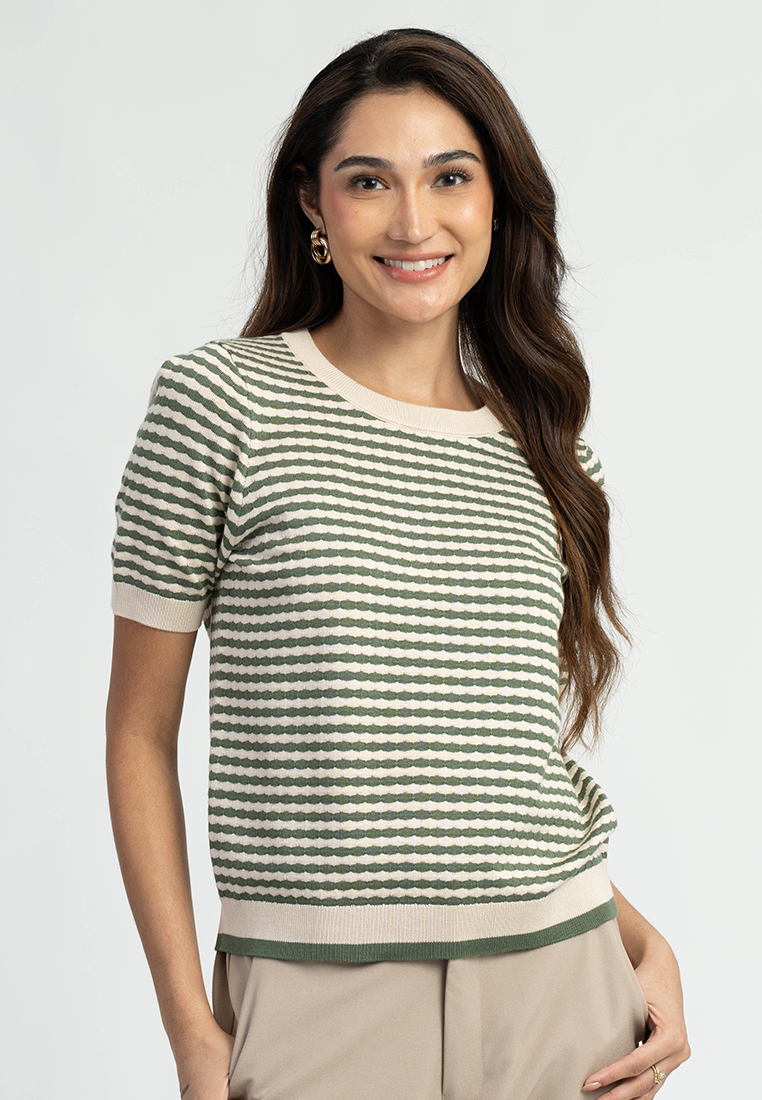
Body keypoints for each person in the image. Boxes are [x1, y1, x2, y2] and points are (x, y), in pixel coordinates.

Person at [105, 27, 691, 1100]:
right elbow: (138, 732)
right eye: (369, 180)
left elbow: (500, 769)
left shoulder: (551, 456)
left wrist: (648, 947)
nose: (415, 222)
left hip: (565, 987)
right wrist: (191, 1027)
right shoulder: (219, 405)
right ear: (312, 205)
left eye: (450, 178)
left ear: (497, 204)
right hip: (315, 1000)